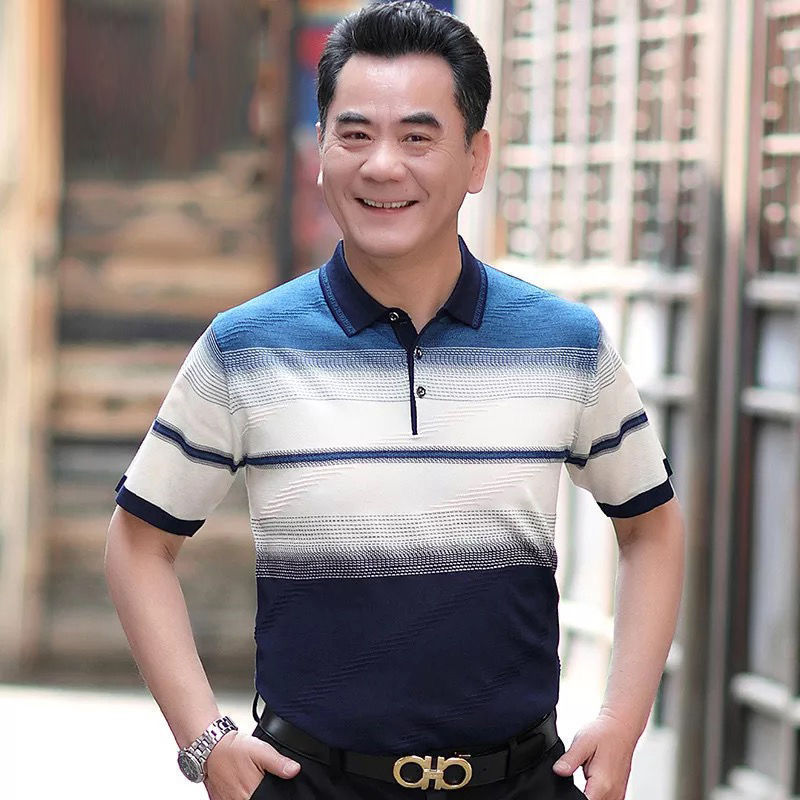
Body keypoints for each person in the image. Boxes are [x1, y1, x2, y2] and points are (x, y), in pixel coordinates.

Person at [104, 2, 685, 799]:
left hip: (519, 782)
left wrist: (624, 719)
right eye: (354, 134)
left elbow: (652, 529)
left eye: (418, 138)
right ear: (320, 150)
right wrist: (204, 741)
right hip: (310, 783)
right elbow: (138, 544)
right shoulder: (245, 349)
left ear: (476, 158)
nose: (382, 166)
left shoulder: (565, 343)